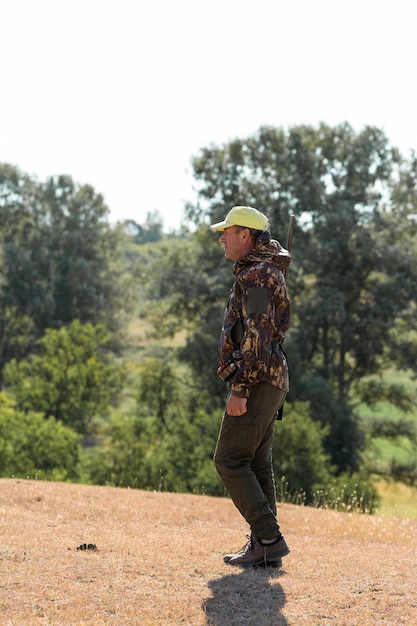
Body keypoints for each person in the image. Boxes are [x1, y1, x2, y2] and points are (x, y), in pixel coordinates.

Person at [210, 205, 291, 568]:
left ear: (246, 236)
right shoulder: (260, 270)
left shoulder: (257, 275)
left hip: (257, 380)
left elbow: (256, 337)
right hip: (271, 379)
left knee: (229, 459)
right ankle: (265, 545)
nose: (222, 238)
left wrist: (240, 389)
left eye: (228, 231)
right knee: (257, 462)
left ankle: (269, 538)